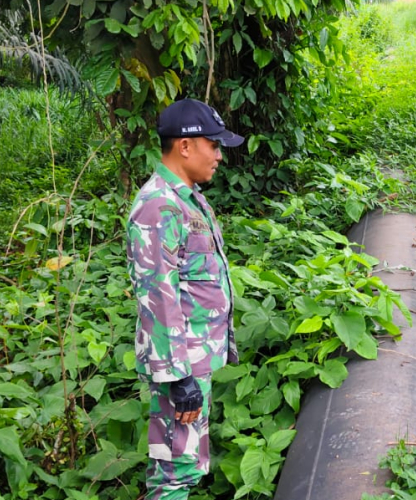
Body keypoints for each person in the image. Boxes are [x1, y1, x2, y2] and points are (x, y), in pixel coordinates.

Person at [126, 98, 245, 499]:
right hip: (181, 366)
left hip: (193, 360)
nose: (219, 156)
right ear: (185, 146)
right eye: (214, 145)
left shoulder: (186, 198)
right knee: (174, 472)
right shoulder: (159, 206)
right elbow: (157, 297)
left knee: (187, 463)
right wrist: (179, 377)